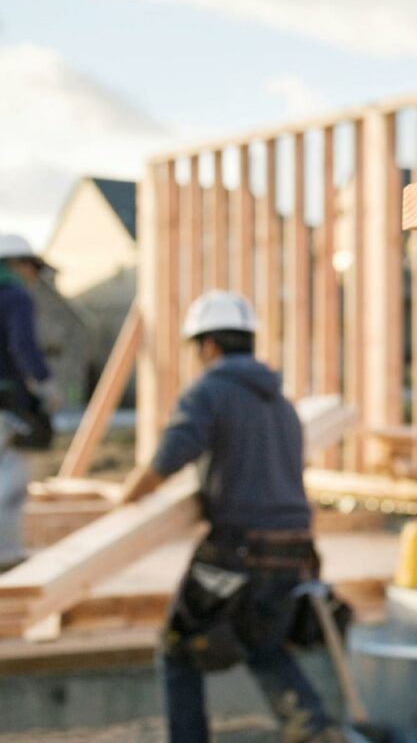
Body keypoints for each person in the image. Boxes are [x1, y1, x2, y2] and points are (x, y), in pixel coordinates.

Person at [119, 290, 341, 743]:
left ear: (208, 346)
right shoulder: (282, 405)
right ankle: (316, 732)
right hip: (294, 550)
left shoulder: (209, 391)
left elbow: (169, 457)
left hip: (237, 550)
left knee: (177, 651)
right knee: (263, 645)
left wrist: (126, 499)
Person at [0, 233, 61, 571]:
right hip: (6, 405)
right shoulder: (14, 297)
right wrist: (45, 387)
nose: (32, 277)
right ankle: (5, 558)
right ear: (16, 264)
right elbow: (23, 346)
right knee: (9, 480)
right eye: (31, 268)